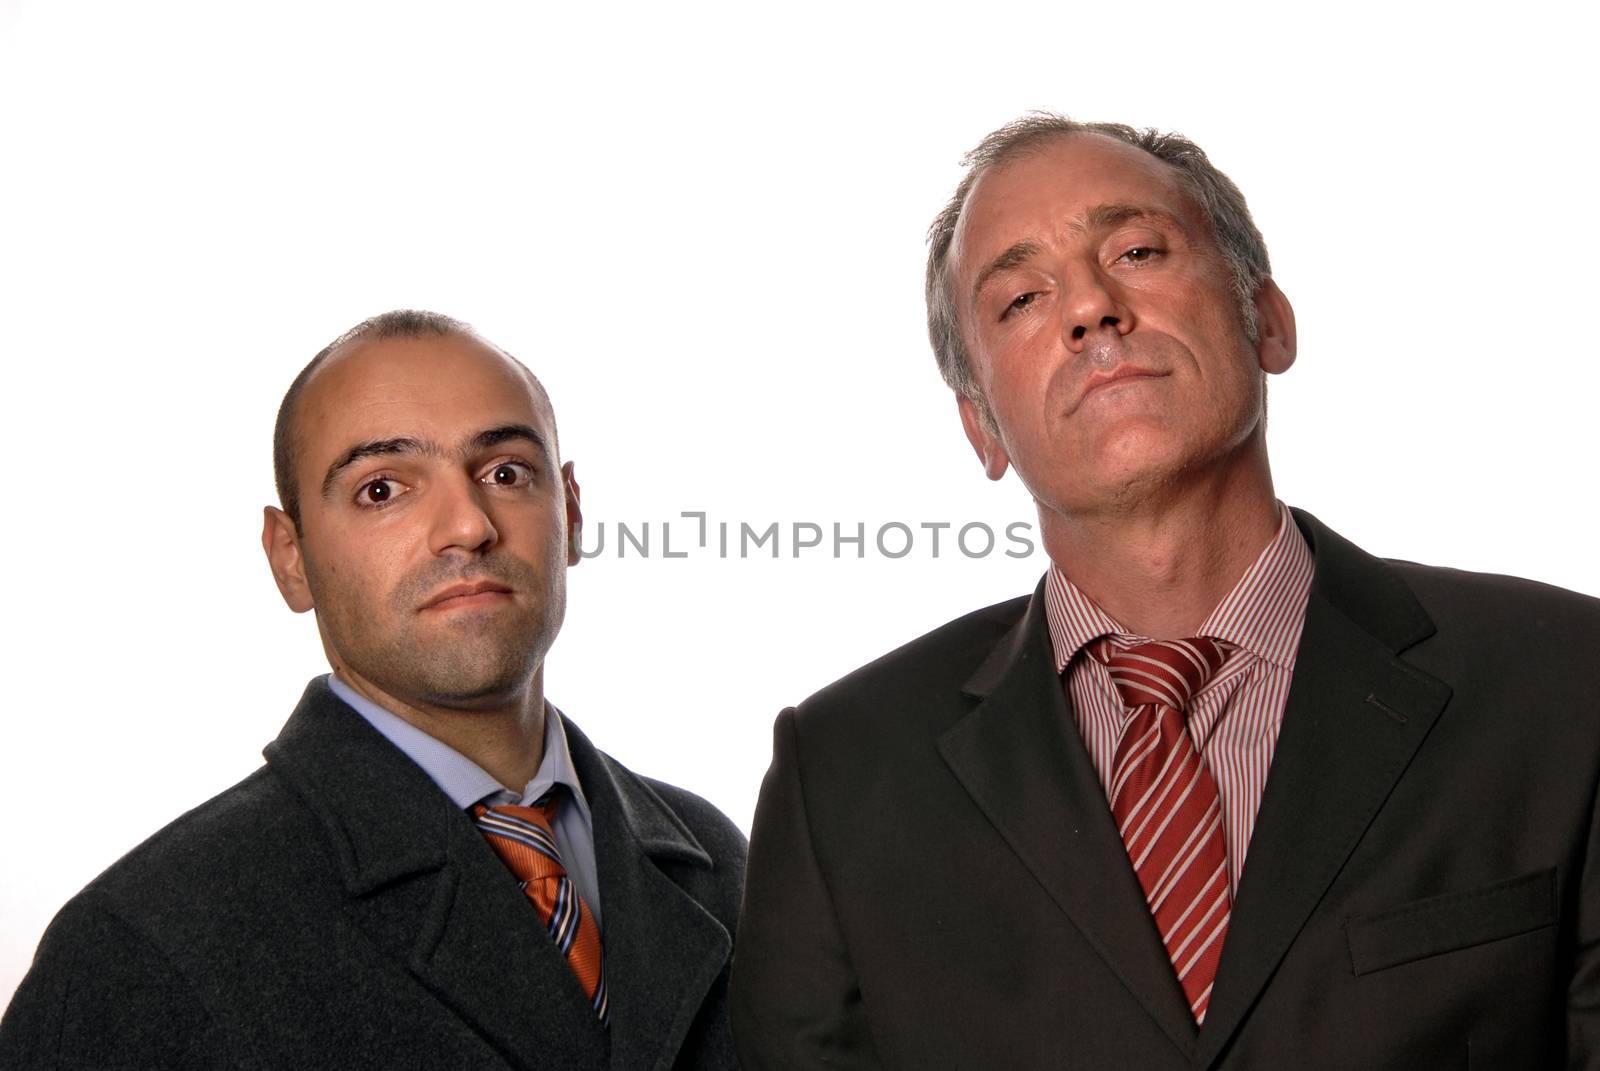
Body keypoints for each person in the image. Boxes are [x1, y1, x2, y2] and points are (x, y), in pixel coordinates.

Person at [730, 115, 1600, 1067]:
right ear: (979, 424)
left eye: (1138, 250)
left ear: (1265, 317)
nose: (1091, 309)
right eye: (1022, 298)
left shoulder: (1564, 685)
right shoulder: (844, 776)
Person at [0, 310, 747, 1070]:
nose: (467, 524)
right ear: (290, 558)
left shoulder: (720, 862)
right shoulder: (140, 950)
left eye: (505, 473)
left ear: (571, 511)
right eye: (383, 487)